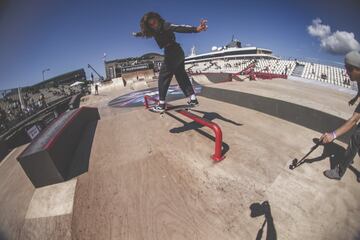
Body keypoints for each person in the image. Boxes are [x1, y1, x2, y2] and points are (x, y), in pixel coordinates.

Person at [133, 12, 208, 113]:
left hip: (173, 51)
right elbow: (145, 33)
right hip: (177, 52)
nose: (154, 25)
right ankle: (193, 99)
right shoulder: (153, 31)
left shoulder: (165, 25)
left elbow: (179, 27)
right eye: (151, 24)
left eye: (154, 22)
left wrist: (196, 29)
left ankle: (161, 104)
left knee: (163, 77)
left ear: (158, 19)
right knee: (181, 76)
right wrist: (137, 34)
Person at [321, 50, 360, 181]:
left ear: (358, 69)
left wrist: (333, 135)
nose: (346, 72)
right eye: (345, 68)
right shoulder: (358, 78)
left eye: (349, 69)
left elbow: (354, 119)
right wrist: (355, 98)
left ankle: (339, 171)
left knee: (356, 138)